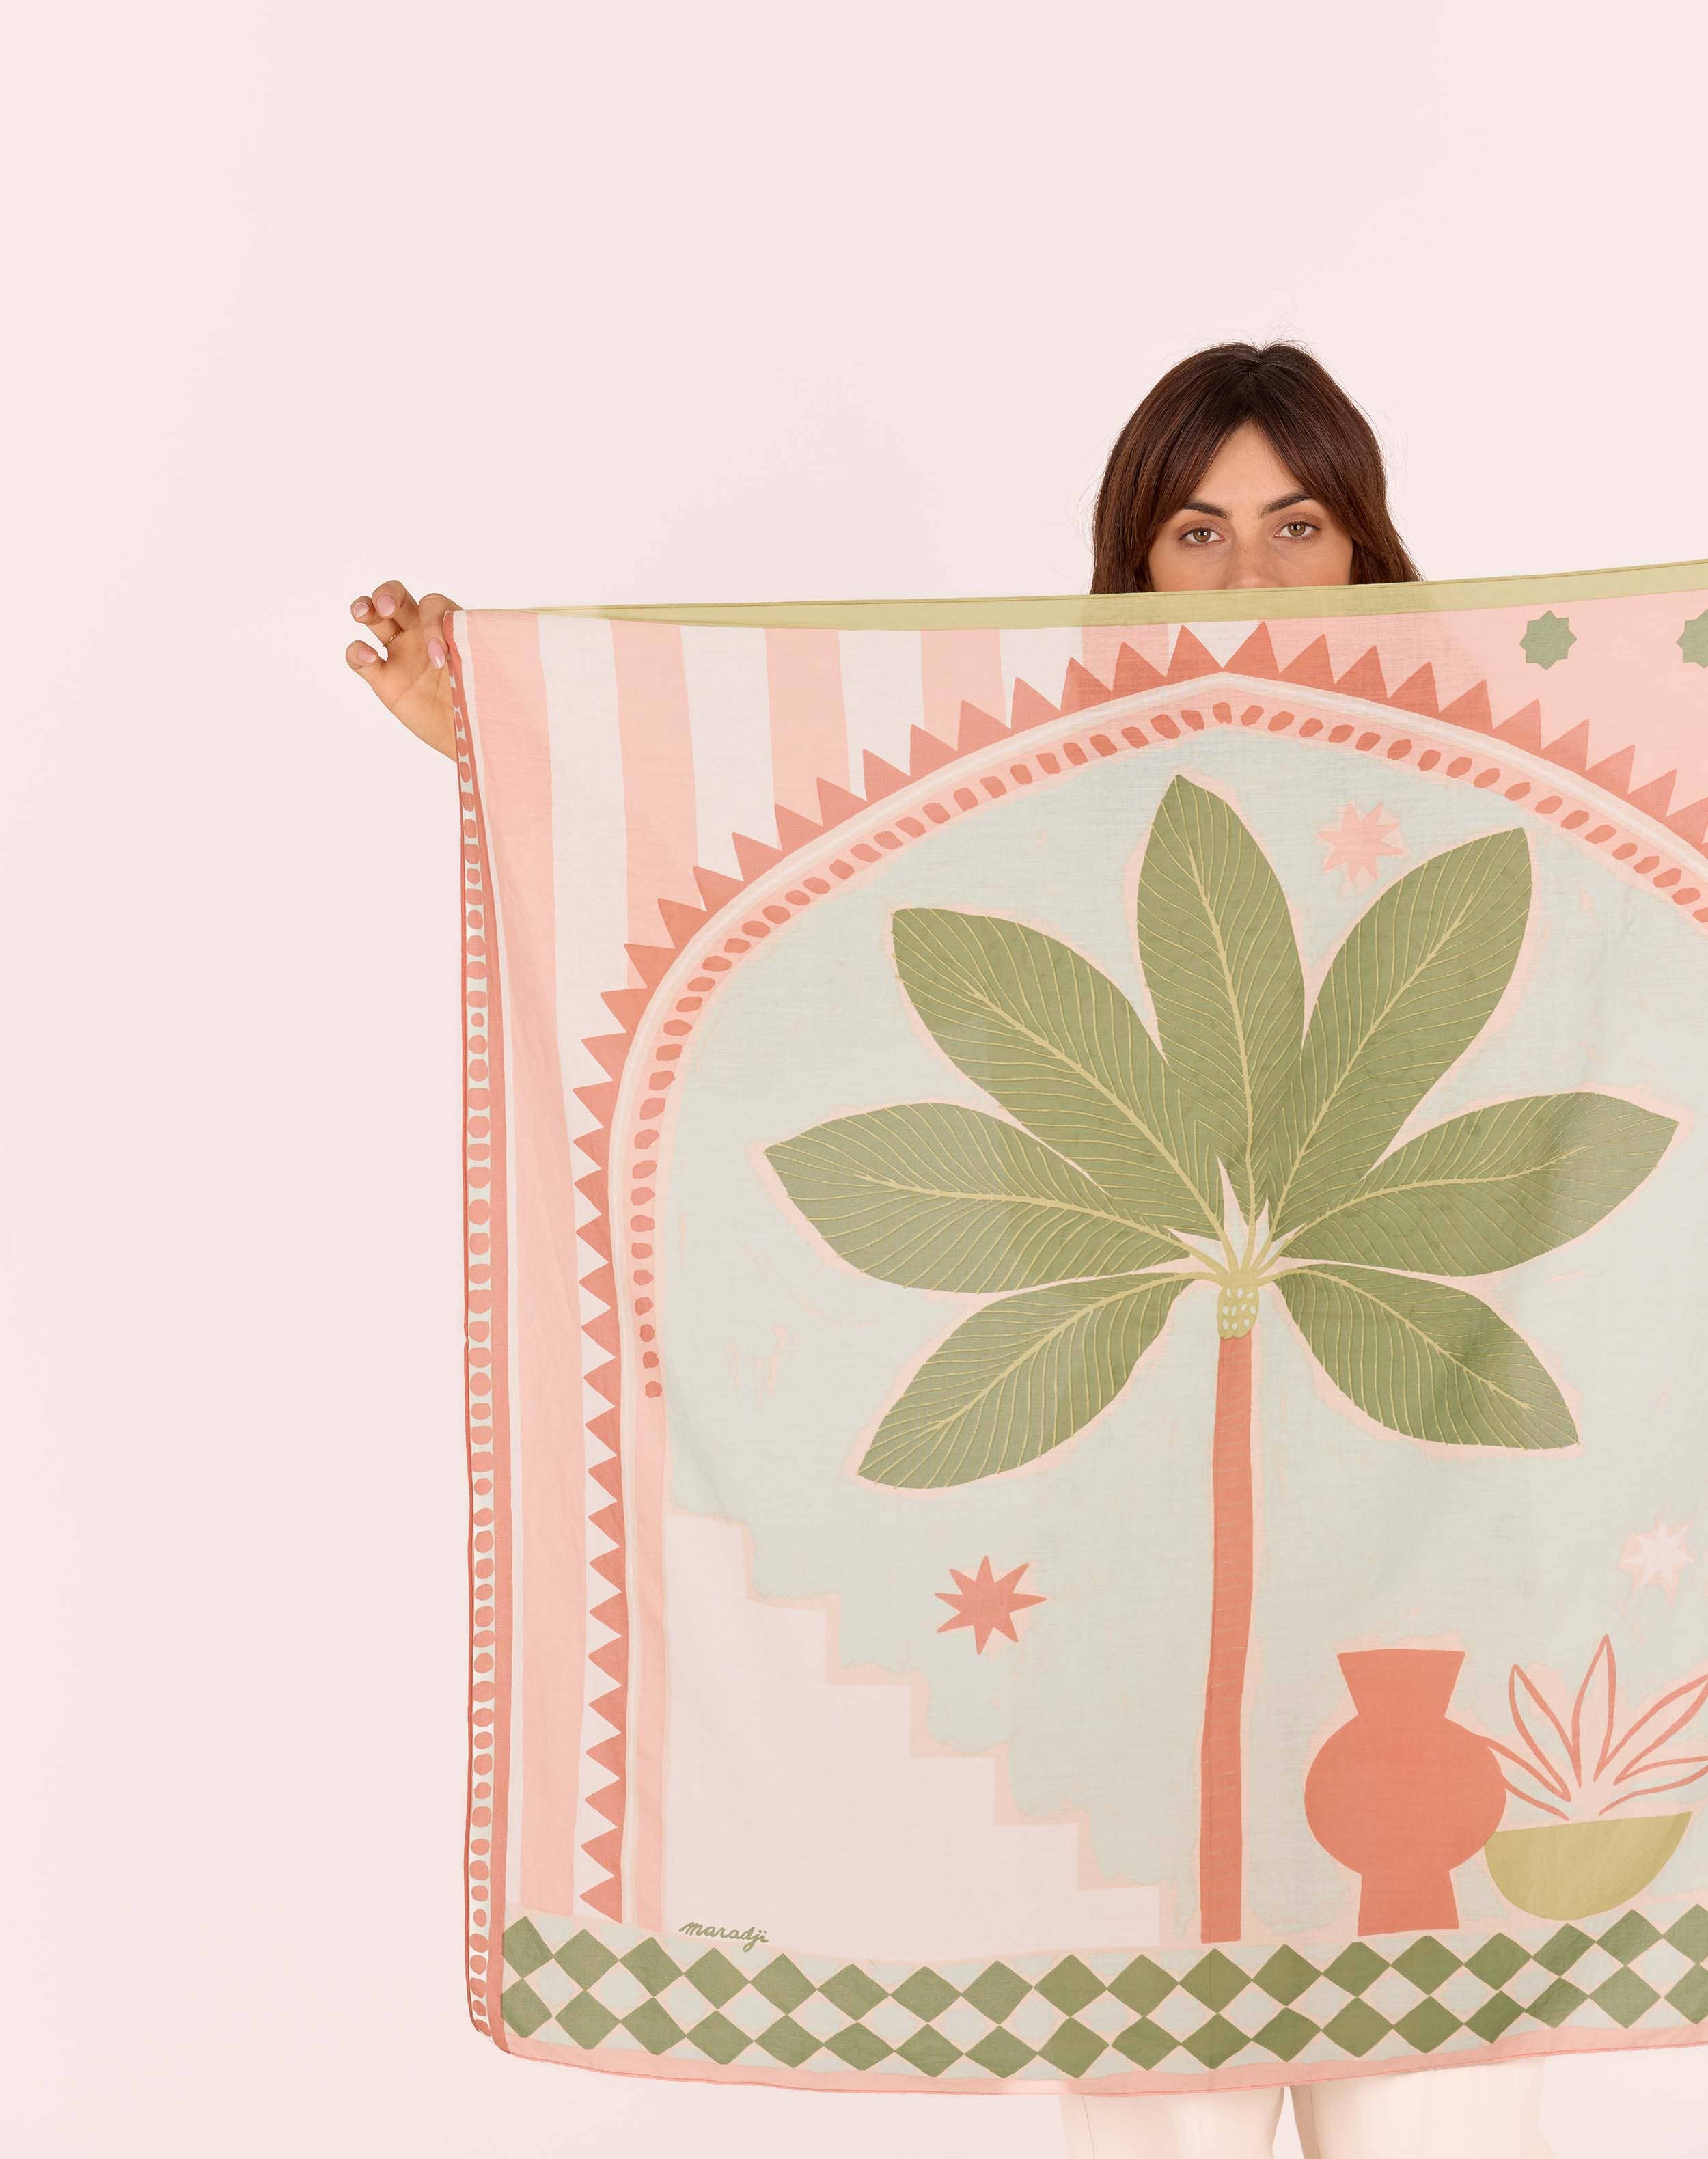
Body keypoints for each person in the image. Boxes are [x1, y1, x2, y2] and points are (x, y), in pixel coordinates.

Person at [342, 343, 1555, 2158]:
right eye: (1196, 530)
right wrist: (497, 749)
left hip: (1429, 1559)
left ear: (1367, 550)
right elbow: (811, 978)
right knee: (1162, 2113)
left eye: (1297, 525)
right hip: (1137, 1600)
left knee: (1434, 2110)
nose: (1247, 571)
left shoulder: (1503, 806)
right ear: (1131, 568)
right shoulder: (1041, 809)